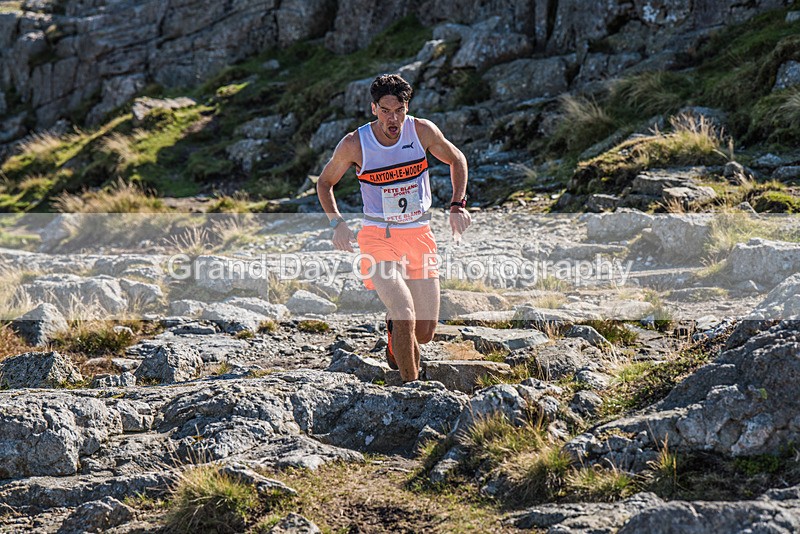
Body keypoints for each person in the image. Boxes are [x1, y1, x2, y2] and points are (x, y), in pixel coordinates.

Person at [316, 73, 471, 383]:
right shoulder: (355, 144)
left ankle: (393, 332)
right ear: (374, 109)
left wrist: (457, 205)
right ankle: (411, 387)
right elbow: (325, 183)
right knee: (404, 312)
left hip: (419, 235)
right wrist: (337, 224)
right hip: (377, 238)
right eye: (386, 110)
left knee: (424, 332)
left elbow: (457, 159)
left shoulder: (422, 131)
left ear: (407, 106)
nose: (393, 118)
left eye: (399, 110)